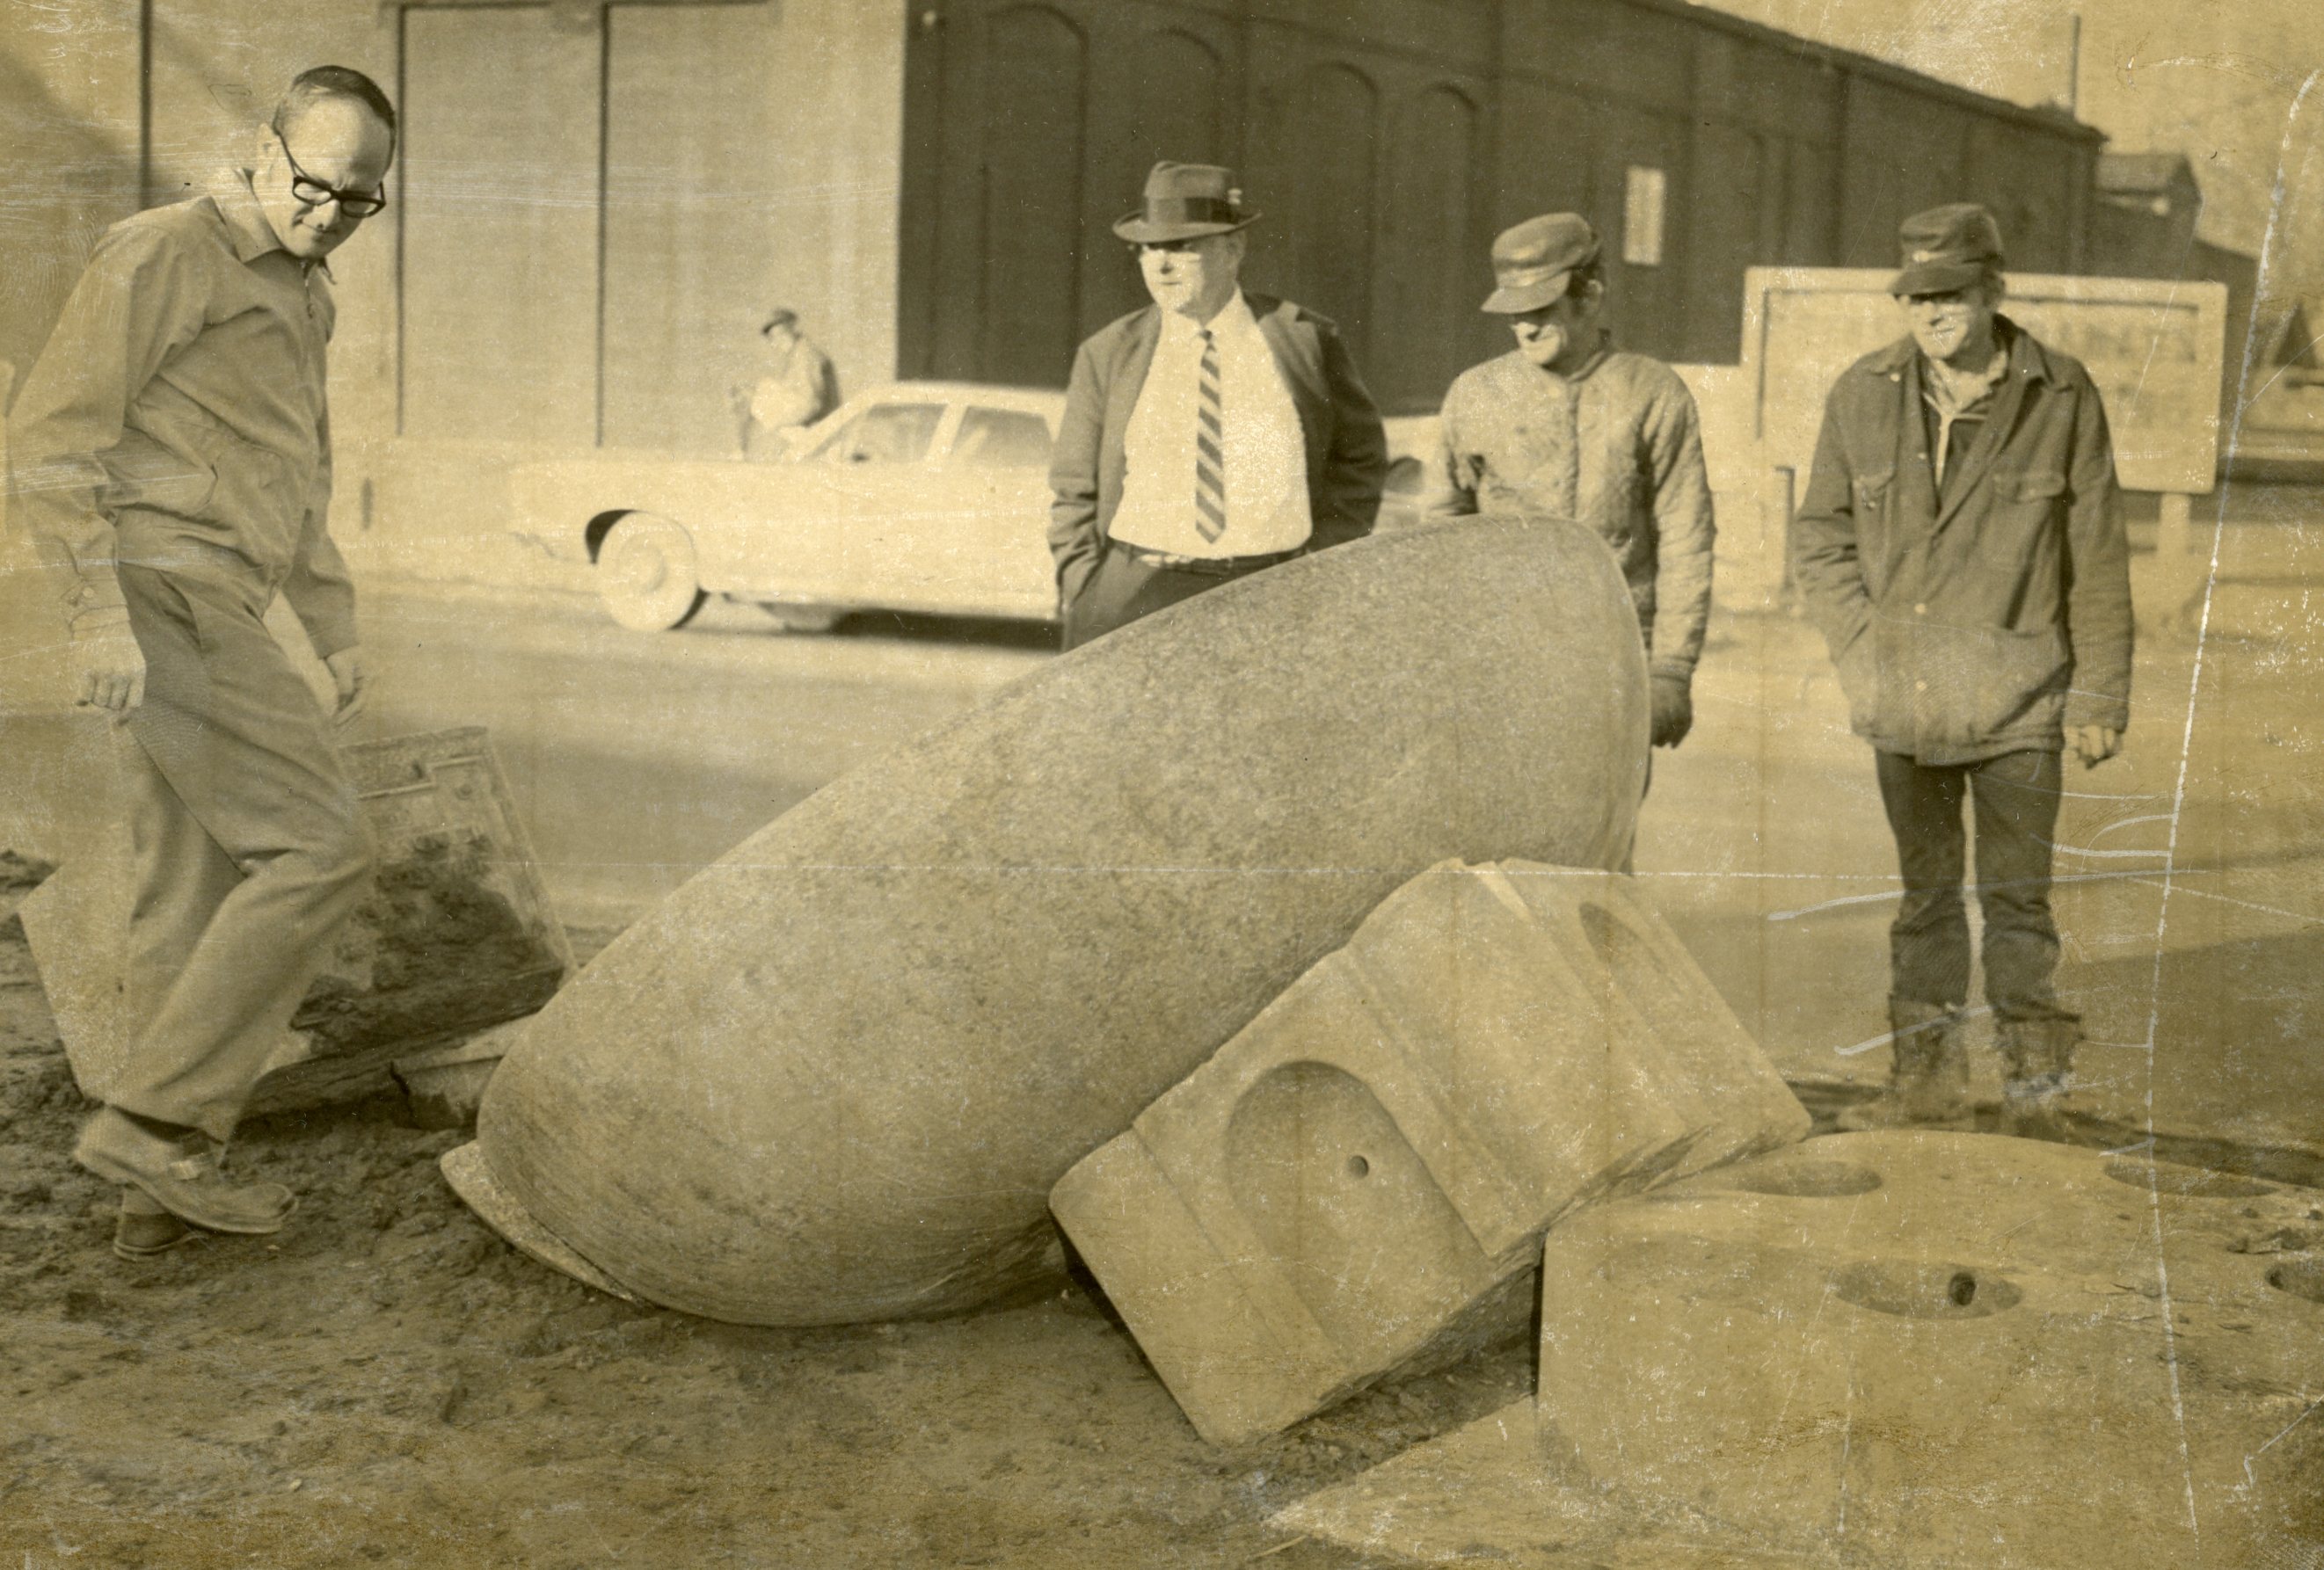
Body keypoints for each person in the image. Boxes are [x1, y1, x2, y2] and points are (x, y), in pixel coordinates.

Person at [7, 66, 398, 1237]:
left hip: (220, 591)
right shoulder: (164, 250)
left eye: (358, 200)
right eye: (311, 183)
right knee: (323, 849)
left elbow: (304, 470)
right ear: (260, 149)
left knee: (191, 883)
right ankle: (154, 1128)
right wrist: (94, 616)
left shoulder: (306, 292)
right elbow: (49, 434)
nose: (327, 212)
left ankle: (154, 1200)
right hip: (163, 591)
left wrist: (329, 623)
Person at [1790, 202, 2131, 1138]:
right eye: (1915, 295)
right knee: (1925, 899)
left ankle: (2036, 1094)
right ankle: (1925, 1083)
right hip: (1905, 692)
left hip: (2023, 698)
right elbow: (1820, 536)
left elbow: (2096, 553)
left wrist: (2100, 692)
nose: (1932, 312)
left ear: (1992, 290)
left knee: (2018, 904)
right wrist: (1860, 645)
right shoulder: (1862, 392)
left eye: (1950, 293)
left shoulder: (2060, 396)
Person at [1047, 161, 1387, 649]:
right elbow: (1073, 488)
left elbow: (1360, 459)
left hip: (1272, 596)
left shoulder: (1305, 339)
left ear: (1233, 249)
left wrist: (1324, 561)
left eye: (1182, 247)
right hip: (1137, 595)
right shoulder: (1108, 353)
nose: (1160, 265)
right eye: (1148, 249)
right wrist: (1086, 586)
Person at [1424, 214, 1715, 752]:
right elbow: (1440, 535)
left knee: (1605, 831)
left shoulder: (1651, 393)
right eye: (1514, 314)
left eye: (1541, 310)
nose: (1525, 327)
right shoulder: (1475, 394)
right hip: (1501, 662)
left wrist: (1672, 670)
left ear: (1590, 295)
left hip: (1615, 659)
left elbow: (1686, 537)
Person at [733, 307, 840, 459]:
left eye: (780, 335)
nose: (776, 342)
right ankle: (742, 450)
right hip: (812, 420)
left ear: (793, 330)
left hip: (819, 425)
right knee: (754, 391)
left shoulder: (806, 356)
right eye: (772, 338)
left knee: (752, 394)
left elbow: (812, 403)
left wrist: (780, 422)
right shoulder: (798, 354)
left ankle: (741, 451)